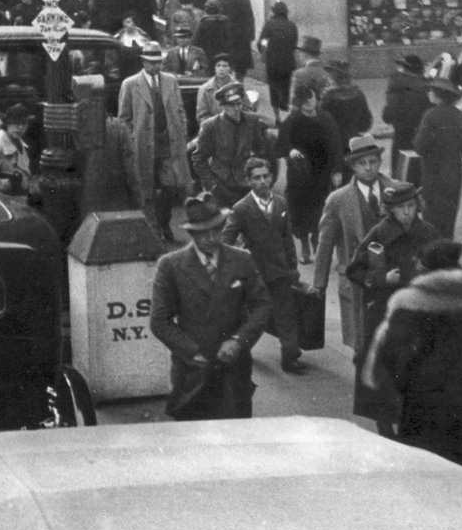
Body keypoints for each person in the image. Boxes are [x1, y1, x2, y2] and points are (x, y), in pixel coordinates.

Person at [364, 238, 462, 471]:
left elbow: (393, 353)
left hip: (423, 401)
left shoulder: (411, 303)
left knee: (424, 468)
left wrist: (404, 384)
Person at [149, 195, 273, 421]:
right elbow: (159, 321)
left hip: (233, 367)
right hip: (193, 371)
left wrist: (238, 340)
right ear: (192, 233)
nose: (211, 238)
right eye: (203, 233)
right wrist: (192, 352)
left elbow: (261, 305)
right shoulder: (170, 265)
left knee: (236, 437)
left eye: (216, 230)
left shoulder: (241, 260)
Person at [345, 182, 439, 434]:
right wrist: (381, 279)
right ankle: (384, 423)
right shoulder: (379, 234)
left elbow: (445, 265)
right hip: (385, 313)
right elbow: (354, 269)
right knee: (384, 370)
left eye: (411, 206)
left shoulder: (428, 233)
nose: (407, 212)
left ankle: (411, 424)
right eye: (400, 208)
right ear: (390, 210)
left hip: (418, 312)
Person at [223, 157, 310, 375]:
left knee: (286, 315)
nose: (262, 181)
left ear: (271, 177)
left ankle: (290, 357)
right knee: (255, 317)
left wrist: (293, 266)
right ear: (249, 181)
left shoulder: (281, 203)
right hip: (255, 274)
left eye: (265, 176)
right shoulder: (241, 208)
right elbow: (226, 240)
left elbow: (287, 237)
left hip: (280, 271)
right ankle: (241, 351)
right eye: (256, 178)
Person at [313, 136, 395, 351]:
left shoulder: (395, 190)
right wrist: (319, 284)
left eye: (373, 162)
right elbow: (325, 244)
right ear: (352, 166)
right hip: (355, 278)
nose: (368, 168)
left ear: (379, 162)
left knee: (389, 337)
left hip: (390, 275)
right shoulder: (338, 200)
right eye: (362, 163)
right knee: (361, 341)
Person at [118, 45, 192, 241]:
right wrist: (132, 140)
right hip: (143, 146)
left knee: (170, 186)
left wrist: (182, 133)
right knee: (147, 189)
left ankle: (164, 220)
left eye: (158, 62)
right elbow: (123, 118)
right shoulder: (130, 84)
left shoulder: (171, 81)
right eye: (151, 62)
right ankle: (154, 230)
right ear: (144, 62)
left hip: (168, 144)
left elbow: (180, 110)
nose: (156, 66)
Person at [275, 83, 344, 263]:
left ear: (316, 98)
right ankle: (304, 244)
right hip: (299, 177)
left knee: (321, 211)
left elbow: (336, 145)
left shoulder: (326, 119)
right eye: (304, 101)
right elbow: (279, 146)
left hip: (321, 175)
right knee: (299, 213)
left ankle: (317, 243)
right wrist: (290, 151)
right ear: (299, 103)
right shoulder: (291, 121)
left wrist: (337, 170)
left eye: (311, 99)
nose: (308, 104)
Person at [413, 76, 462, 238]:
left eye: (431, 91)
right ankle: (448, 251)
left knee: (431, 219)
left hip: (432, 174)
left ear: (438, 95)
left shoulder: (430, 116)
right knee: (449, 218)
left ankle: (433, 254)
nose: (429, 93)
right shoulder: (460, 116)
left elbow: (419, 146)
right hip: (454, 174)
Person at [192, 81, 271, 207]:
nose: (236, 108)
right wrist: (211, 184)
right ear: (223, 106)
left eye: (239, 103)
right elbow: (198, 158)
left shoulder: (252, 120)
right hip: (222, 185)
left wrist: (257, 176)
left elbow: (260, 149)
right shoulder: (211, 125)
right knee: (226, 224)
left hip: (246, 184)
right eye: (231, 105)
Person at [382, 53, 432, 179]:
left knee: (399, 172)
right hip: (421, 136)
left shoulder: (395, 86)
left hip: (400, 135)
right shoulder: (426, 88)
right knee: (418, 175)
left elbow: (387, 116)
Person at [319, 59, 373, 148]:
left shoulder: (327, 98)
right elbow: (366, 123)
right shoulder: (358, 94)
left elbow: (321, 125)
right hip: (355, 142)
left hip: (333, 144)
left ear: (332, 78)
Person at [259, 0, 298, 114]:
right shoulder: (292, 26)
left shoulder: (269, 25)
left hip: (273, 63)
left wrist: (264, 52)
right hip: (288, 62)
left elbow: (262, 42)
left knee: (273, 88)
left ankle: (277, 117)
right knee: (286, 87)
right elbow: (294, 44)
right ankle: (285, 109)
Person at [216, 0, 256, 78]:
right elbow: (250, 19)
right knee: (240, 70)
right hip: (242, 41)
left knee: (226, 68)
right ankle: (239, 88)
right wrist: (250, 37)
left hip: (226, 40)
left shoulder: (219, 0)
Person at [290, 35, 330, 101]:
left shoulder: (299, 74)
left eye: (300, 52)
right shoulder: (327, 72)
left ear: (305, 54)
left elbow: (293, 100)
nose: (299, 55)